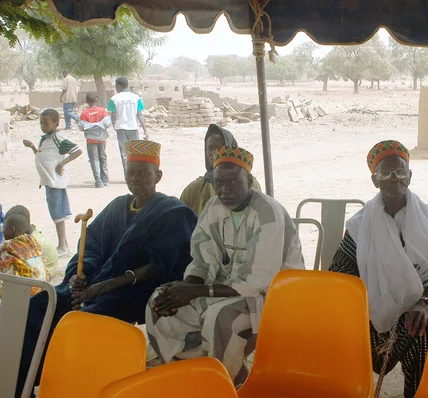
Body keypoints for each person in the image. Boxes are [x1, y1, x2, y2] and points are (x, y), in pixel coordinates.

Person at [14, 140, 198, 397]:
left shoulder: (173, 212)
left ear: (158, 175)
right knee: (42, 303)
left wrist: (103, 287)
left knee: (81, 321)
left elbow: (158, 266)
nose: (135, 178)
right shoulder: (117, 206)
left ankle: (64, 383)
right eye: (130, 172)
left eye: (143, 172)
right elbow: (91, 244)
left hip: (134, 290)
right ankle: (22, 383)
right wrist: (80, 276)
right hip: (95, 284)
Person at [330, 140, 428, 398]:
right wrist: (365, 307)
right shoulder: (360, 227)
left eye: (400, 172)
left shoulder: (426, 223)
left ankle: (418, 393)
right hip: (373, 315)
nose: (393, 179)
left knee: (421, 330)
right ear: (374, 180)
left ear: (410, 177)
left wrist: (424, 303)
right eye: (385, 173)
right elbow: (340, 275)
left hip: (422, 306)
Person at [146, 146, 304, 385]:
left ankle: (228, 381)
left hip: (270, 296)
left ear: (249, 181)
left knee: (221, 317)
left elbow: (259, 282)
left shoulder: (267, 213)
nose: (224, 189)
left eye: (233, 181)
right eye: (219, 182)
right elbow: (201, 257)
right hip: (221, 288)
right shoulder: (213, 207)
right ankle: (191, 370)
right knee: (159, 302)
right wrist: (185, 288)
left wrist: (195, 291)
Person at [23, 109, 82, 258]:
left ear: (56, 124)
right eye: (41, 123)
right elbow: (41, 155)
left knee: (58, 215)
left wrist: (62, 164)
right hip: (49, 182)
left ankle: (63, 245)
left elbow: (77, 151)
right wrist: (32, 147)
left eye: (46, 123)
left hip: (56, 182)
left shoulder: (58, 138)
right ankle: (62, 245)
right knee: (55, 213)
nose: (43, 126)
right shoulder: (45, 139)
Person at [180, 124, 261, 215]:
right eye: (210, 148)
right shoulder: (194, 189)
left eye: (219, 149)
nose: (213, 153)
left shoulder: (249, 185)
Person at [107, 76, 148, 177]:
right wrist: (145, 130)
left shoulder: (114, 99)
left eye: (116, 85)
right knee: (135, 152)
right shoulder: (136, 98)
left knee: (124, 153)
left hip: (121, 128)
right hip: (133, 127)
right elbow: (139, 114)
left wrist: (114, 124)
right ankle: (136, 174)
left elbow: (113, 115)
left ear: (119, 86)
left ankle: (128, 175)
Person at [0, 214, 49, 296]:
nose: (2, 231)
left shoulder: (9, 246)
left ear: (12, 229)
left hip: (24, 296)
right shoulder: (34, 242)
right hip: (43, 291)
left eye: (4, 228)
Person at [5, 205, 59, 279]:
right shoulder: (34, 231)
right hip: (50, 268)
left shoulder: (31, 242)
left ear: (13, 229)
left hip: (46, 272)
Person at [79, 92, 111, 188]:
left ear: (86, 101)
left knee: (94, 160)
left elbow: (81, 127)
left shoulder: (84, 113)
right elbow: (107, 124)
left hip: (90, 140)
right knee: (103, 157)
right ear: (96, 100)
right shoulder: (102, 111)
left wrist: (90, 126)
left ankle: (98, 181)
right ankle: (105, 179)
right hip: (102, 139)